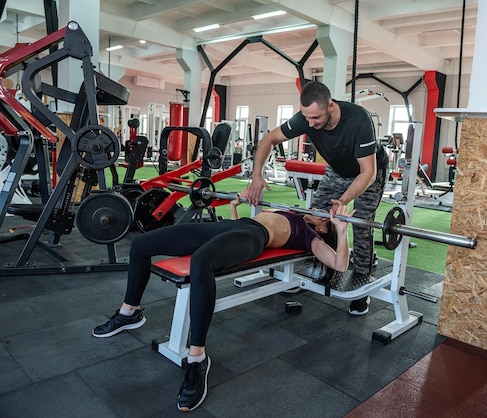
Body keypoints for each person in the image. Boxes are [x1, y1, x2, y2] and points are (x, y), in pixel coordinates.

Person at [92, 197, 355, 412]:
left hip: (254, 235)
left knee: (201, 261)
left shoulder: (312, 237)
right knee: (140, 244)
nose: (321, 212)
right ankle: (130, 312)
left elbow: (340, 264)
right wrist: (237, 205)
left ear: (323, 228)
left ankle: (196, 359)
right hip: (229, 226)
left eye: (324, 217)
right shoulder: (292, 211)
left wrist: (342, 231)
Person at [242, 80, 389, 316]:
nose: (310, 124)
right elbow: (270, 139)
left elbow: (368, 173)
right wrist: (257, 176)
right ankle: (321, 268)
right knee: (314, 219)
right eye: (306, 118)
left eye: (315, 119)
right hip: (336, 170)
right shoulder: (306, 118)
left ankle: (362, 282)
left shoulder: (358, 119)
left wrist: (343, 200)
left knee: (360, 223)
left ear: (330, 106)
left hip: (369, 172)